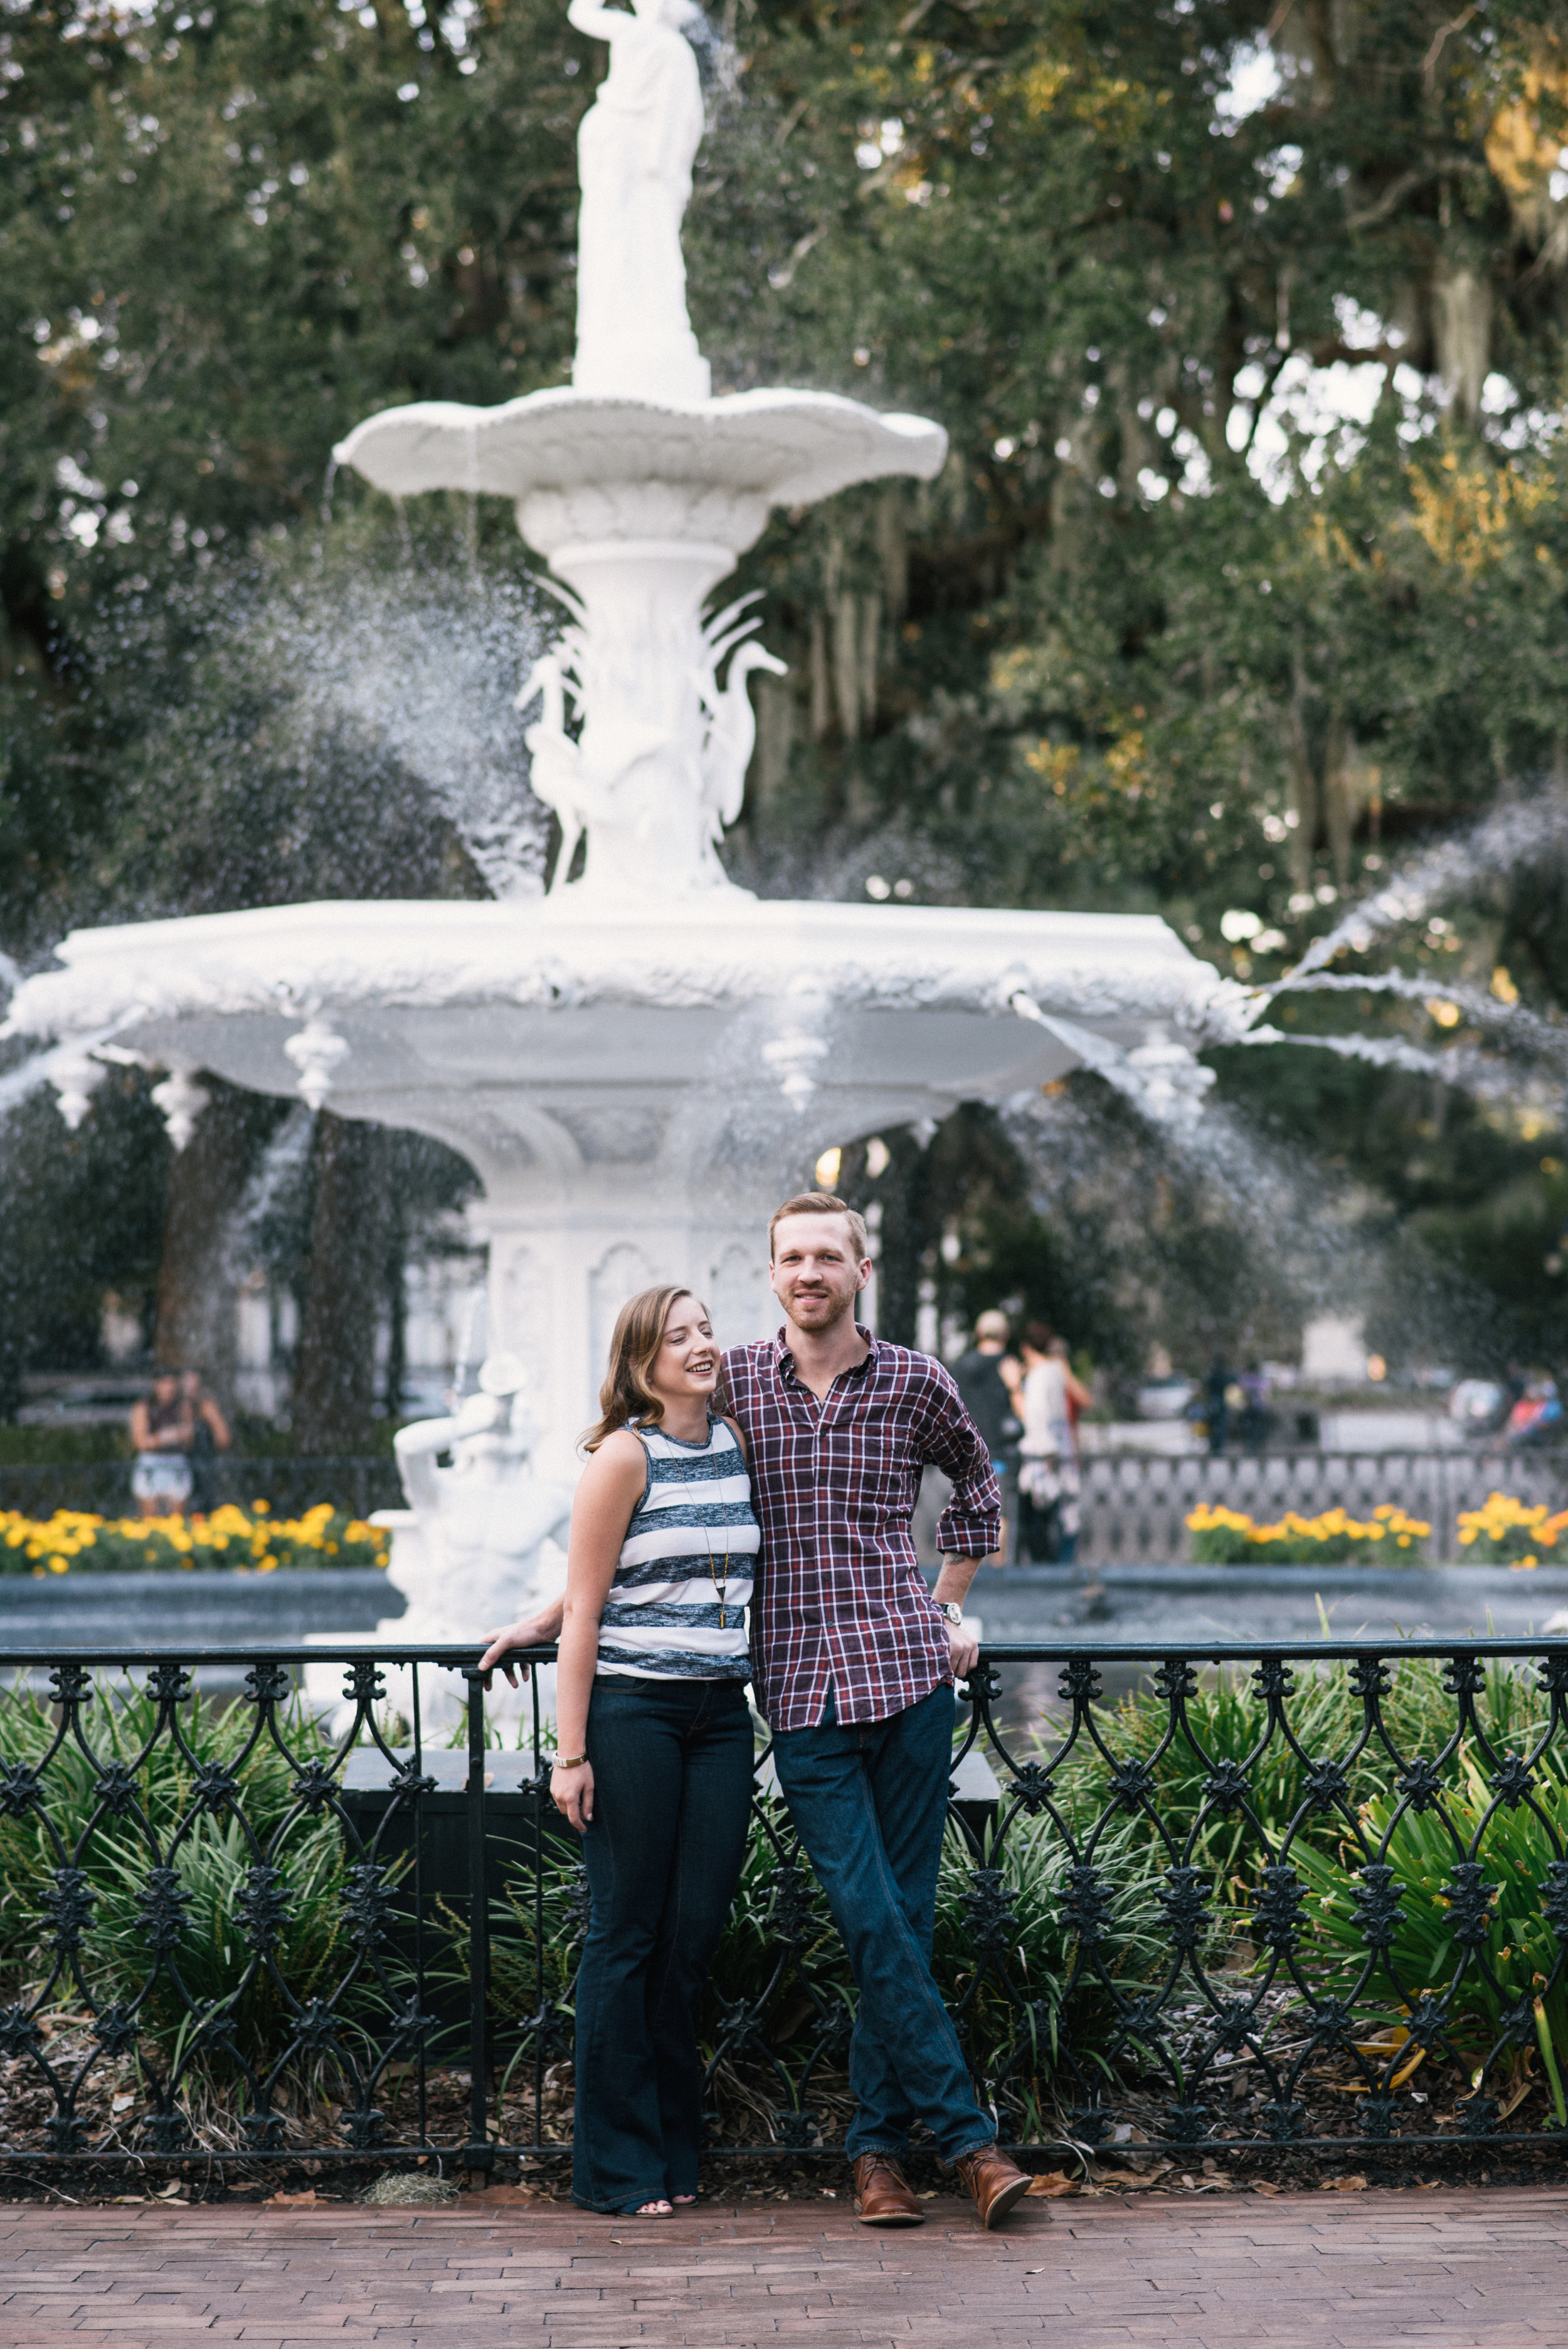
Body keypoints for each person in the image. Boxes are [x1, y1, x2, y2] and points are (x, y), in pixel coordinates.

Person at [724, 1192, 1028, 2231]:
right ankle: (971, 2144)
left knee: (902, 1917)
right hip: (801, 1689)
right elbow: (639, 1497)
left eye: (827, 1256)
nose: (809, 1272)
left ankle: (875, 2158)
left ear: (861, 1269)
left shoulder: (914, 1381)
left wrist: (946, 1606)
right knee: (868, 1911)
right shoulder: (733, 1390)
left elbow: (979, 1497)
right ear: (772, 1275)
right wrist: (564, 1609)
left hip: (906, 1683)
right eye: (791, 1258)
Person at [479, 1286, 758, 2220]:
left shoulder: (737, 1441)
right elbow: (589, 1601)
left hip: (721, 1717)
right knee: (626, 1932)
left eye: (708, 1328)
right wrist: (570, 1752)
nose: (702, 1345)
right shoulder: (620, 1456)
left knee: (689, 1939)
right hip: (633, 1713)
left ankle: (677, 2148)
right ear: (643, 1361)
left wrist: (545, 1609)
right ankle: (616, 2166)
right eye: (678, 1336)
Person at [1015, 1322, 1089, 1566]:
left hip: (1043, 1460)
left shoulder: (1038, 1377)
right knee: (1065, 1519)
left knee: (1040, 1524)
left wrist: (1014, 1387)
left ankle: (1049, 1569)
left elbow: (1035, 1417)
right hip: (1062, 1453)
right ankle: (1062, 1564)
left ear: (1026, 1349)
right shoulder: (1056, 1372)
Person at [953, 1310, 1021, 1560]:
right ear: (1006, 1334)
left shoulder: (961, 1366)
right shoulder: (1010, 1365)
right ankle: (999, 1572)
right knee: (1000, 1516)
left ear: (978, 1334)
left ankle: (967, 1574)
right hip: (1001, 1450)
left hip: (966, 1452)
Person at [129, 1369, 194, 1519]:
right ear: (156, 1385)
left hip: (176, 1462)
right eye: (165, 1383)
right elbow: (139, 1442)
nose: (169, 1388)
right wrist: (163, 1438)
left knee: (176, 1519)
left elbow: (189, 1438)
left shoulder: (182, 1406)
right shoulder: (143, 1406)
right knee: (150, 1518)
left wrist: (182, 1435)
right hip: (151, 1463)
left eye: (172, 1383)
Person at [182, 1369, 231, 1517]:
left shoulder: (205, 1406)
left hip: (202, 1463)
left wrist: (209, 1450)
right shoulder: (179, 1406)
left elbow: (223, 1437)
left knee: (202, 1505)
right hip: (182, 1463)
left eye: (194, 1383)